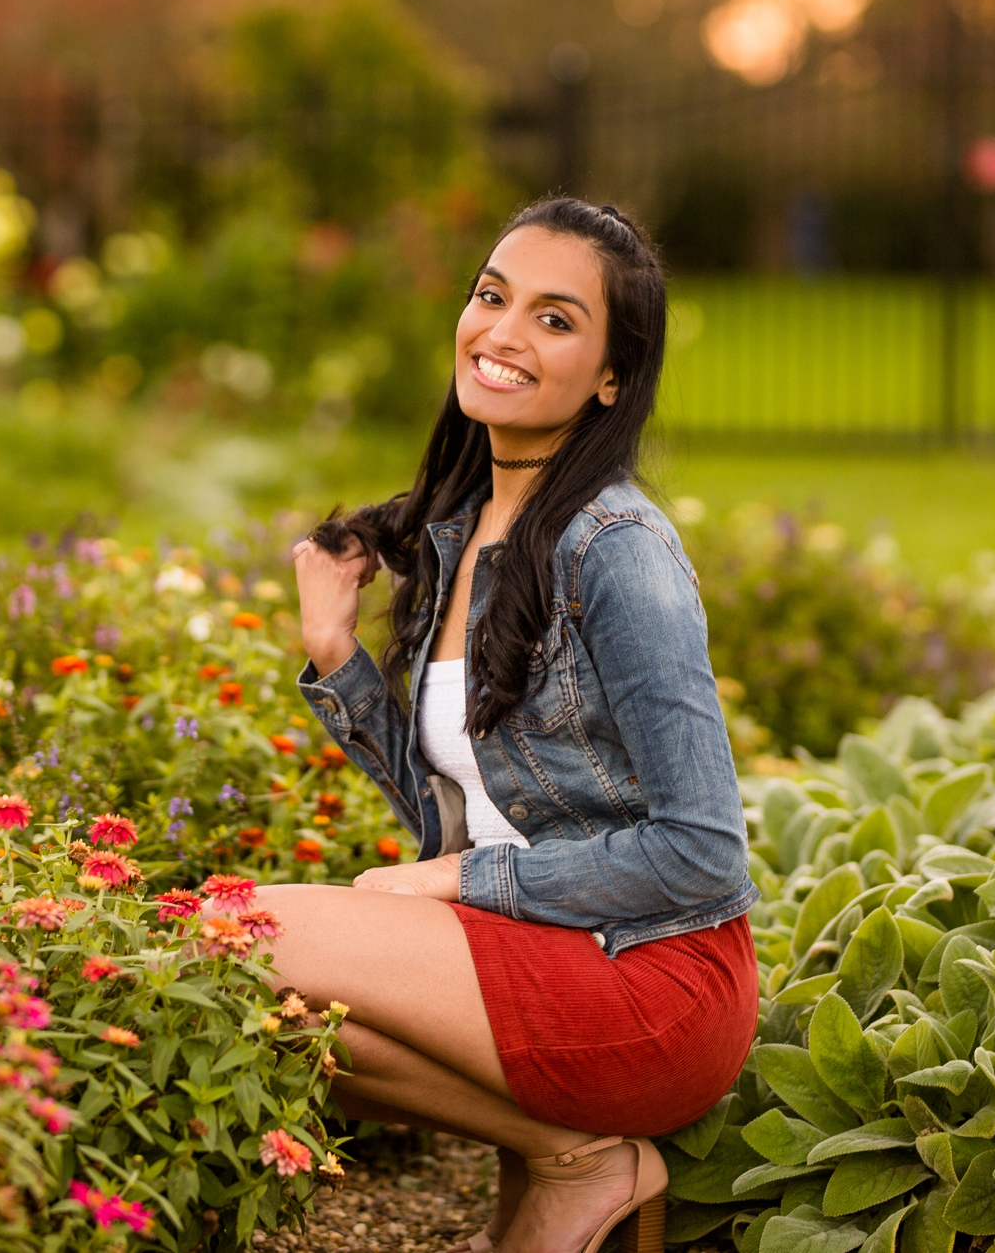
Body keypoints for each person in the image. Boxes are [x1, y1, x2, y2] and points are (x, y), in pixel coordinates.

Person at [271, 197, 759, 1253]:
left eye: (552, 318)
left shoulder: (616, 549)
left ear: (611, 376)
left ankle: (585, 1160)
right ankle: (572, 1159)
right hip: (544, 946)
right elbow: (473, 807)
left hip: (652, 977)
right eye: (491, 296)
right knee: (274, 1007)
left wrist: (451, 883)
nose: (498, 332)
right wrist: (334, 657)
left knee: (236, 940)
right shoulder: (464, 530)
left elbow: (703, 852)